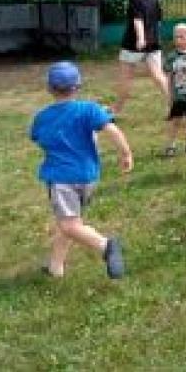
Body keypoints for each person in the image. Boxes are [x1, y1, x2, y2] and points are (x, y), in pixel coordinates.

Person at [30, 61, 133, 279]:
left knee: (69, 225)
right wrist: (126, 153)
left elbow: (38, 138)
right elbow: (113, 131)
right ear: (77, 87)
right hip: (88, 176)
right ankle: (55, 268)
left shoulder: (42, 117)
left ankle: (106, 246)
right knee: (70, 222)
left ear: (49, 88)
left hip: (62, 178)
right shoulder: (89, 109)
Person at [113, 0, 169, 114]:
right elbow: (158, 21)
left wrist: (141, 39)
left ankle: (116, 110)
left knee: (125, 77)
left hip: (134, 43)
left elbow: (137, 20)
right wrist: (154, 38)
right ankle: (175, 106)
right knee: (158, 75)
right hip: (153, 42)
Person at [161, 23, 186, 157]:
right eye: (176, 37)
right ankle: (170, 145)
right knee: (175, 121)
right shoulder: (171, 56)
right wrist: (169, 97)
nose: (178, 40)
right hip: (178, 96)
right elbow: (169, 78)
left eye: (181, 37)